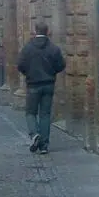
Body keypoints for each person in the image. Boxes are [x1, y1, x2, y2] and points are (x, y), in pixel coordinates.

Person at [17, 22, 66, 154]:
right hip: (49, 84)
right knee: (45, 114)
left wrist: (29, 73)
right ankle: (44, 146)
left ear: (35, 31)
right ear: (48, 31)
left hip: (33, 84)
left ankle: (34, 134)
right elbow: (61, 65)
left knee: (30, 112)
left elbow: (20, 65)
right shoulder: (54, 48)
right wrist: (52, 71)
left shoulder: (27, 48)